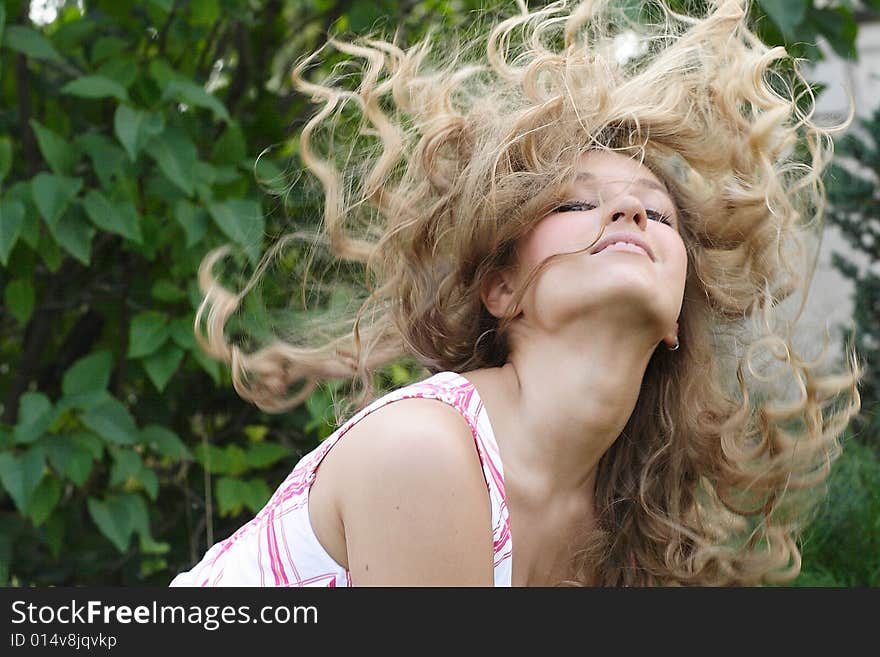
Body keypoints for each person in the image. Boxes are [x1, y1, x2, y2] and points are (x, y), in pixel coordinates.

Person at [169, 0, 863, 587]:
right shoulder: (428, 452)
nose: (628, 216)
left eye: (658, 213)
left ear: (678, 314)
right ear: (502, 290)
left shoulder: (625, 521)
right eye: (574, 206)